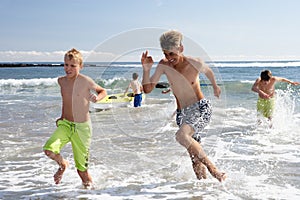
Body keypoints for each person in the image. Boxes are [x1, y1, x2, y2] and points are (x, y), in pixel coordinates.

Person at [141, 30, 226, 182]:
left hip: (200, 108)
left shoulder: (194, 63)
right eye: (166, 54)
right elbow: (147, 89)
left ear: (181, 48)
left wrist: (215, 87)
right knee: (194, 156)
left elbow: (209, 71)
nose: (169, 58)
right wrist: (146, 69)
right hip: (182, 113)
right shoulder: (163, 65)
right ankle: (203, 187)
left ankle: (214, 170)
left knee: (181, 136)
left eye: (172, 54)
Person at [43, 48, 107, 187]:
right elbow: (65, 100)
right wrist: (61, 117)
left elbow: (103, 91)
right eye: (66, 64)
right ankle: (63, 165)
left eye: (73, 65)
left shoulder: (85, 81)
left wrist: (97, 98)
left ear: (80, 66)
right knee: (49, 149)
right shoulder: (61, 81)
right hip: (65, 124)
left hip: (82, 128)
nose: (68, 68)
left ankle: (90, 193)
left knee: (82, 171)